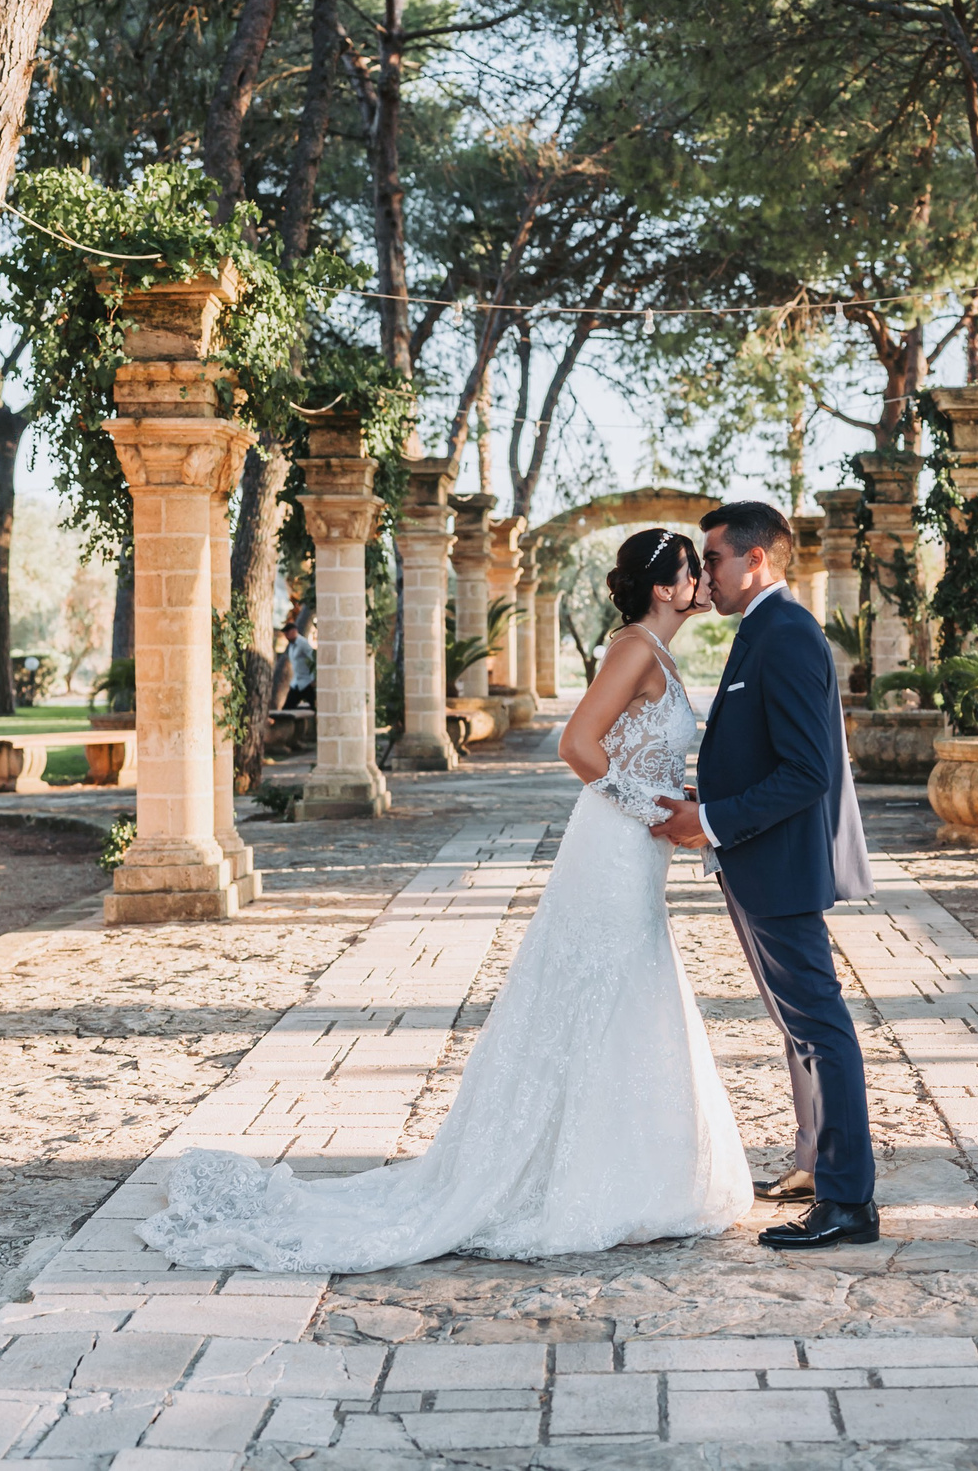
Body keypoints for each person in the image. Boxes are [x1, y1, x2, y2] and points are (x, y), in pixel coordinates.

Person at [138, 529, 750, 1271]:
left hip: (638, 844)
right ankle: (572, 1179)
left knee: (627, 986)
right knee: (605, 984)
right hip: (615, 845)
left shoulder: (658, 652)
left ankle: (623, 1167)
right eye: (693, 569)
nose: (703, 579)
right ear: (664, 587)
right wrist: (653, 809)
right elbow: (577, 745)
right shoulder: (632, 649)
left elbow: (635, 752)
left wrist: (677, 798)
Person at [650, 501, 880, 1250]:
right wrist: (706, 799)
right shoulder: (762, 628)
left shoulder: (786, 632)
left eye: (714, 559)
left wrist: (712, 820)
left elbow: (808, 770)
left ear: (755, 560)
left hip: (777, 867)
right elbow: (765, 751)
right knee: (802, 1026)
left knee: (820, 1026)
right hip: (754, 864)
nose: (705, 574)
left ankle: (848, 1202)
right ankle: (822, 1173)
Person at [281, 619, 316, 710]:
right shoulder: (291, 645)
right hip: (297, 682)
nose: (286, 636)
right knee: (287, 709)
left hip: (307, 682)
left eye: (287, 633)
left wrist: (314, 679)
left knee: (314, 707)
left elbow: (313, 659)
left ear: (294, 631)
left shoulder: (303, 643)